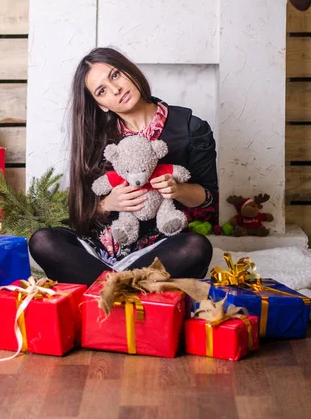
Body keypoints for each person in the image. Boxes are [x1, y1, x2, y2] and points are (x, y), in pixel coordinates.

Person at [29, 47, 218, 286]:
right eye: (102, 90)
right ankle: (126, 285)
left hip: (160, 250)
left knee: (196, 247)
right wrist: (108, 204)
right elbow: (81, 216)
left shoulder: (190, 128)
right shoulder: (98, 140)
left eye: (115, 75)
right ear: (101, 105)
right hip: (103, 251)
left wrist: (179, 190)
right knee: (42, 241)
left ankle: (105, 287)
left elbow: (209, 199)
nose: (116, 89)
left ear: (129, 71)